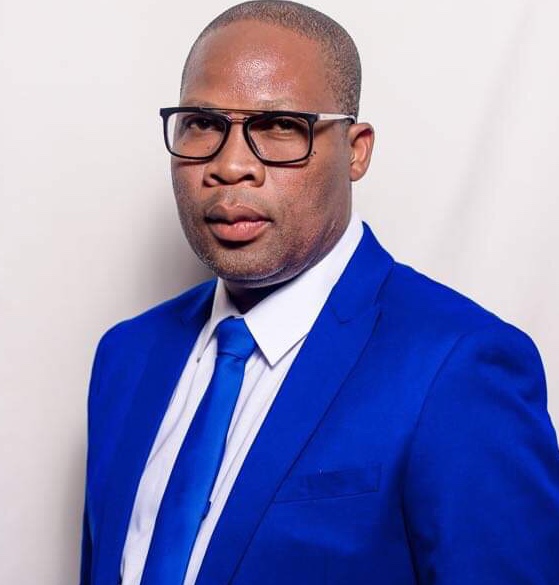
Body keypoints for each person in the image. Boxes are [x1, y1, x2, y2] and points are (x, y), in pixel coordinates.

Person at [80, 1, 559, 583]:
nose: (231, 166)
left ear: (356, 150)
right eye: (203, 124)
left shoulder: (458, 367)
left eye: (281, 127)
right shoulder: (127, 355)